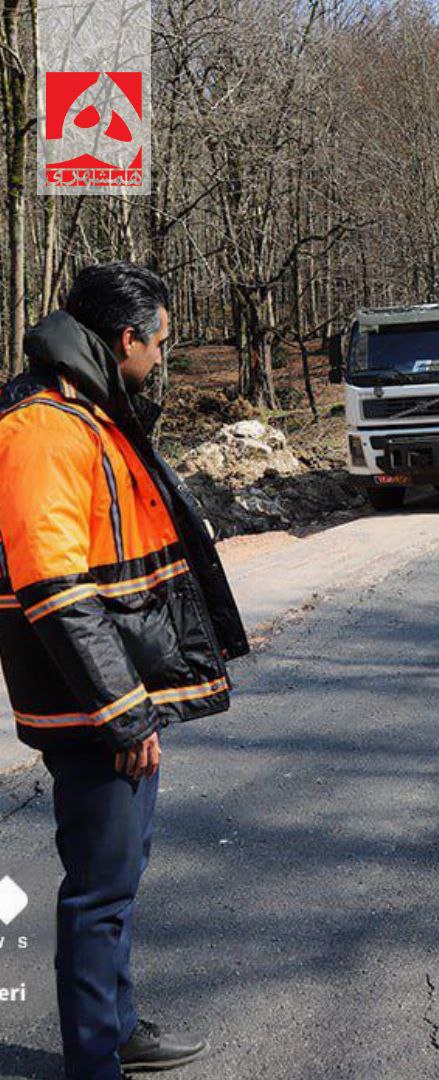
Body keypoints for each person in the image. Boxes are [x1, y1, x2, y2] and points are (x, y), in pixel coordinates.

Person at [0, 262, 249, 1078]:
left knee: (119, 878)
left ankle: (117, 1027)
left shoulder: (91, 414)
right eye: (161, 346)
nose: (164, 363)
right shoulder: (44, 428)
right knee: (100, 891)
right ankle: (95, 1061)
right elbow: (56, 587)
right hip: (89, 705)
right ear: (124, 339)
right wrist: (123, 710)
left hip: (110, 695)